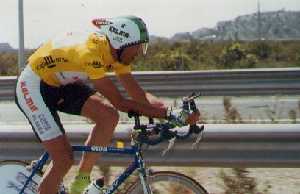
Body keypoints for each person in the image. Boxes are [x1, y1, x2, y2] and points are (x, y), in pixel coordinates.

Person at [15, 15, 200, 194]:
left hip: (60, 82)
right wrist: (168, 114)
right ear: (122, 42)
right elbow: (120, 102)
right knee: (63, 158)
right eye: (137, 47)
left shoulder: (117, 54)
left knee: (108, 116)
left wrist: (173, 111)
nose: (138, 53)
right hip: (33, 86)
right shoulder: (90, 54)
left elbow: (138, 95)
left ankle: (80, 184)